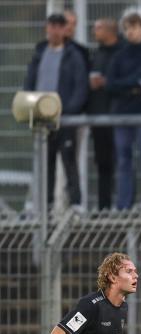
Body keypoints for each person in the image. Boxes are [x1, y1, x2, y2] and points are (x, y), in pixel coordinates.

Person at [23, 13, 87, 209]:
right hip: (42, 118)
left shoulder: (73, 55)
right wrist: (30, 106)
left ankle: (75, 204)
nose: (55, 30)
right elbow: (30, 82)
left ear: (64, 30)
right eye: (52, 26)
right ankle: (47, 204)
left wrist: (68, 111)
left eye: (60, 26)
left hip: (65, 118)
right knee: (45, 161)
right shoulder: (39, 54)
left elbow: (80, 87)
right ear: (47, 28)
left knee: (69, 160)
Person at [106, 12, 141, 208]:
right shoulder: (119, 55)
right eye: (127, 28)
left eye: (135, 27)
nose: (131, 32)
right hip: (122, 113)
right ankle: (124, 204)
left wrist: (126, 86)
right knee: (123, 158)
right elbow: (110, 84)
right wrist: (133, 87)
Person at [86, 19, 123, 210]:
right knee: (103, 165)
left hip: (118, 116)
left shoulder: (123, 52)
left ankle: (124, 207)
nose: (94, 31)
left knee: (123, 162)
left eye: (98, 27)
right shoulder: (97, 53)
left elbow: (127, 81)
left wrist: (107, 83)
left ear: (110, 30)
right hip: (99, 117)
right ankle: (104, 209)